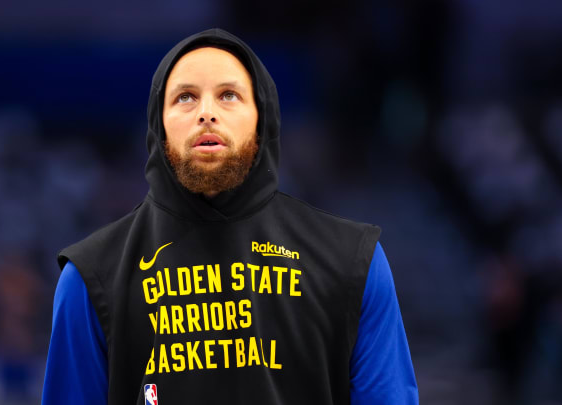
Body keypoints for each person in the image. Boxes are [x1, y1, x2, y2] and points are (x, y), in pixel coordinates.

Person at [42, 28, 418, 405]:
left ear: (262, 119)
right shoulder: (90, 278)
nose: (207, 113)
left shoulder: (353, 264)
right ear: (159, 125)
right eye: (185, 97)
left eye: (229, 95)